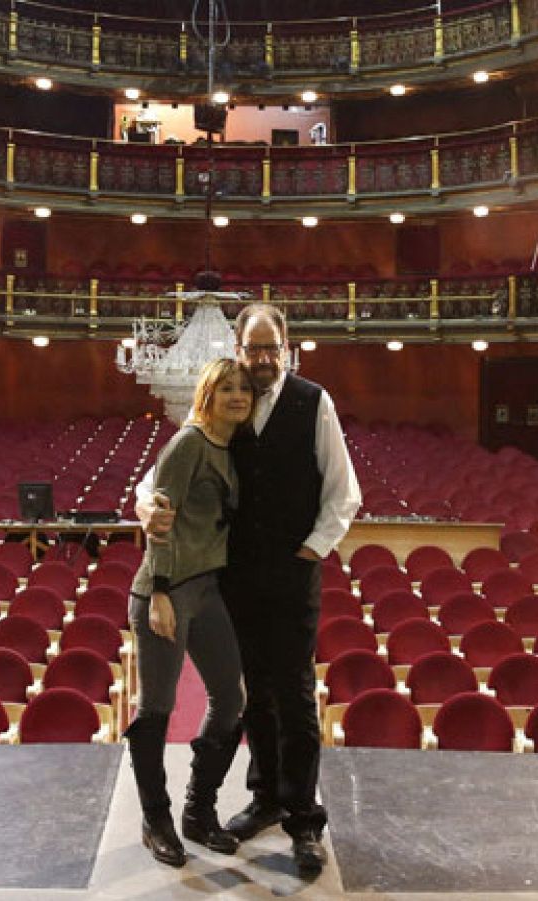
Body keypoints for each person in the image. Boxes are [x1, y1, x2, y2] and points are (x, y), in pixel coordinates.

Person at [137, 304, 361, 875]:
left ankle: (303, 820)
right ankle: (263, 797)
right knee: (251, 692)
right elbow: (167, 465)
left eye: (270, 348)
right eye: (251, 349)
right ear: (238, 349)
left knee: (293, 695)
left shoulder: (315, 402)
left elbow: (344, 492)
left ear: (286, 346)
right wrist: (145, 506)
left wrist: (313, 549)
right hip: (233, 576)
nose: (261, 359)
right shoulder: (228, 402)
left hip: (291, 575)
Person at [125, 358, 255, 868]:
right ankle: (155, 818)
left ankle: (198, 810)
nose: (238, 395)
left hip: (207, 589)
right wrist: (158, 591)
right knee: (156, 707)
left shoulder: (234, 447)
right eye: (226, 387)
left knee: (230, 697)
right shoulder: (189, 442)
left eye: (244, 387)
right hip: (166, 589)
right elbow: (160, 517)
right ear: (208, 393)